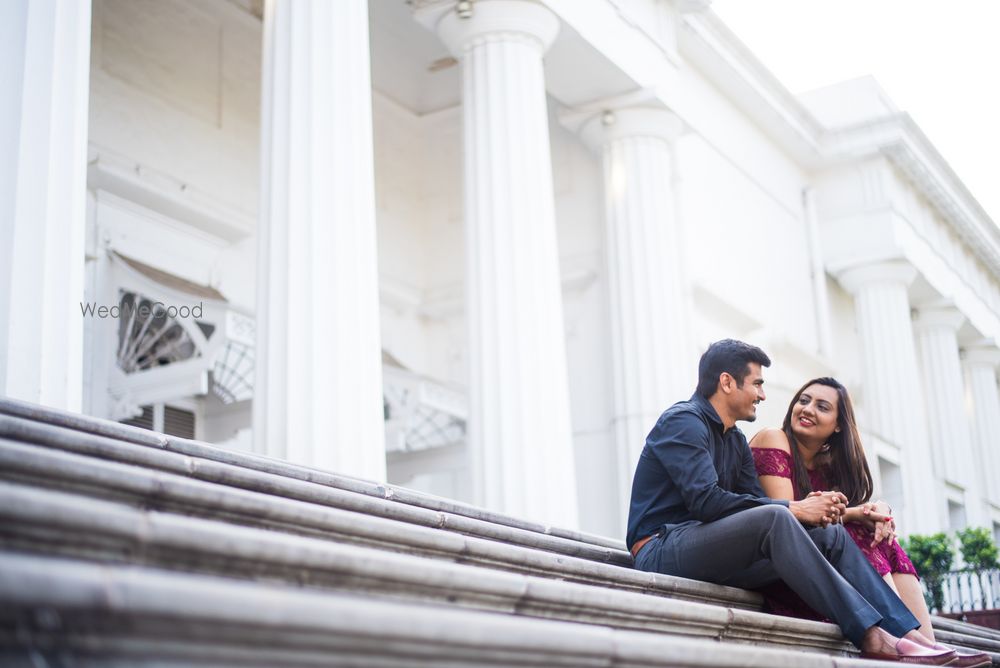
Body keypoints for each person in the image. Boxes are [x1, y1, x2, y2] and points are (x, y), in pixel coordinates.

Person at [627, 339, 955, 664]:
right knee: (779, 517)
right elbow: (707, 502)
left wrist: (811, 510)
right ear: (727, 382)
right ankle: (871, 636)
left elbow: (752, 501)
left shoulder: (736, 439)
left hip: (710, 551)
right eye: (757, 384)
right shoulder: (684, 421)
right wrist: (796, 508)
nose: (762, 395)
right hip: (661, 547)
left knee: (831, 534)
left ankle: (910, 636)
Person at [750, 377, 990, 667]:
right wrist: (860, 514)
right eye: (804, 400)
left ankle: (924, 643)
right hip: (786, 564)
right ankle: (910, 643)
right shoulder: (774, 438)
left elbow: (851, 509)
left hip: (821, 564)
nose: (808, 409)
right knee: (854, 530)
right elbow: (794, 515)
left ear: (838, 425)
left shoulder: (828, 464)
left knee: (881, 538)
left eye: (822, 406)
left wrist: (879, 513)